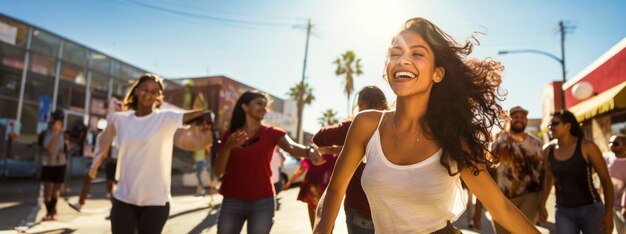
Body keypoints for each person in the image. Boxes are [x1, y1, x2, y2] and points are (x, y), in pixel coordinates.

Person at [313, 17, 539, 233]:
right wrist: (322, 229)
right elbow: (334, 191)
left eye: (417, 53)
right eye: (395, 53)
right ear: (387, 69)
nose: (402, 60)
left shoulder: (453, 138)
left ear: (437, 74)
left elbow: (502, 209)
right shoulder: (367, 124)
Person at [87, 73, 213, 234]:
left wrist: (206, 116)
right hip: (124, 197)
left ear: (158, 96)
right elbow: (103, 141)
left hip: (156, 201)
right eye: (145, 89)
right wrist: (95, 164)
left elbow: (193, 119)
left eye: (154, 91)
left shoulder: (165, 118)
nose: (148, 94)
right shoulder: (120, 119)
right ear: (137, 90)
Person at [214, 90, 325, 234]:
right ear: (245, 107)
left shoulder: (272, 133)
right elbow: (218, 171)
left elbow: (291, 147)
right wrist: (228, 146)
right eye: (259, 103)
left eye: (265, 105)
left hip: (262, 202)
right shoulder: (230, 136)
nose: (264, 108)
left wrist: (309, 151)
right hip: (232, 200)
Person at [312, 85, 388, 234]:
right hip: (389, 212)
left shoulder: (355, 126)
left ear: (362, 105)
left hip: (359, 208)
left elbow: (318, 138)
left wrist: (348, 127)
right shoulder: (393, 125)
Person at [539, 110, 614, 234]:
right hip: (563, 212)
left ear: (568, 126)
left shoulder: (587, 147)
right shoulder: (548, 150)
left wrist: (608, 213)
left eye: (555, 124)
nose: (551, 128)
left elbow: (606, 180)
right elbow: (548, 178)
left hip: (591, 210)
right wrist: (542, 204)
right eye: (550, 125)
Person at [472, 106, 544, 233]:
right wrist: (478, 210)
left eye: (522, 117)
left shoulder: (536, 144)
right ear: (509, 119)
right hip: (501, 198)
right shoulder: (498, 141)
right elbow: (486, 172)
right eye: (515, 117)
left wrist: (542, 204)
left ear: (526, 120)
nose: (519, 120)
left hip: (529, 195)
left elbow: (544, 175)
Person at [283, 153, 338, 229]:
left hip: (312, 188)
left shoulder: (312, 155)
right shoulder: (334, 155)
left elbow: (300, 171)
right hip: (326, 189)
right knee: (329, 216)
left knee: (313, 216)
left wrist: (289, 182)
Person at [39, 109, 68, 221]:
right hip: (48, 165)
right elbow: (50, 150)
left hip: (60, 165)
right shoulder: (48, 133)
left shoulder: (65, 135)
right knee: (48, 191)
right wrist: (55, 133)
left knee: (56, 190)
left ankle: (52, 211)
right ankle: (49, 211)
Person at [606, 134, 626, 234]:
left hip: (621, 203)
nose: (611, 145)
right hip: (609, 201)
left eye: (615, 143)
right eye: (609, 142)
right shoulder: (607, 157)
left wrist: (624, 205)